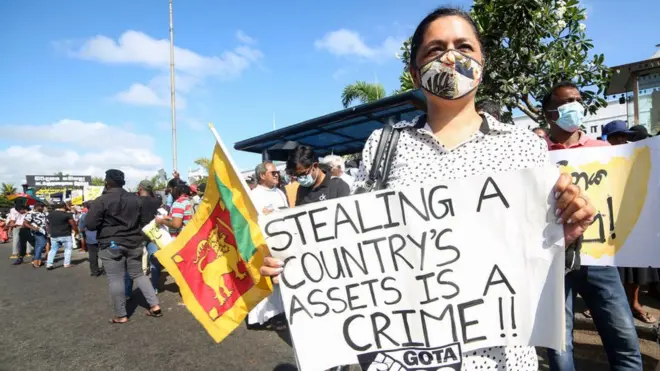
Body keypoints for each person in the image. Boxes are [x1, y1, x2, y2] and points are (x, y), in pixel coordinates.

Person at [262, 8, 596, 370]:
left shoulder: (521, 145)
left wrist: (568, 234)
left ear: (482, 62)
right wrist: (302, 265)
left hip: (500, 357)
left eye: (464, 46)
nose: (452, 58)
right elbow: (357, 250)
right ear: (415, 72)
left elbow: (540, 264)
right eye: (435, 50)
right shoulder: (385, 144)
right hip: (403, 355)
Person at [543, 81, 642, 370]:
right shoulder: (535, 154)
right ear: (550, 114)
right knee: (559, 346)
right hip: (554, 259)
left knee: (623, 337)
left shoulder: (603, 150)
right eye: (565, 103)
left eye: (578, 99)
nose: (575, 106)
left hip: (599, 258)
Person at [85, 169, 161, 324]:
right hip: (134, 242)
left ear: (107, 182)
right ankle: (155, 306)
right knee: (139, 274)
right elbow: (144, 222)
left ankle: (121, 315)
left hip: (110, 243)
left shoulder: (101, 201)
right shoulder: (136, 199)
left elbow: (90, 225)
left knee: (116, 278)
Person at [247, 161, 288, 329]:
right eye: (273, 172)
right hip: (264, 244)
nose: (277, 174)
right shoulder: (254, 195)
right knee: (265, 281)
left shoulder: (280, 192)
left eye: (277, 172)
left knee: (280, 279)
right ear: (262, 175)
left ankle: (280, 313)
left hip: (283, 241)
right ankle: (264, 317)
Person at [125, 180, 162, 296]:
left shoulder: (135, 201)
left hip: (137, 235)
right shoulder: (157, 201)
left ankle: (127, 292)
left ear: (140, 188)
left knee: (131, 262)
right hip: (153, 235)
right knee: (155, 261)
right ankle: (154, 287)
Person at [45, 202, 78, 270]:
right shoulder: (67, 214)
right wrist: (76, 231)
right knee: (68, 249)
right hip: (65, 234)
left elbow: (47, 224)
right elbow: (73, 224)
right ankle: (66, 264)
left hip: (54, 235)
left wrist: (49, 232)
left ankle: (49, 264)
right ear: (64, 206)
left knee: (53, 249)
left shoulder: (50, 214)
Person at [21, 202, 48, 268]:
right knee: (42, 243)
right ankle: (36, 260)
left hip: (44, 231)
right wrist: (33, 228)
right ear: (38, 206)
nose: (43, 208)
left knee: (38, 245)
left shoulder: (43, 213)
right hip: (37, 231)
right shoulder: (30, 213)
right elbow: (25, 223)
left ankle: (37, 260)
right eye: (42, 207)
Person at [79, 201, 102, 276]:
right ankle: (105, 269)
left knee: (92, 255)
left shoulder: (84, 216)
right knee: (104, 254)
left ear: (86, 207)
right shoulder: (101, 215)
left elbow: (81, 228)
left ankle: (94, 271)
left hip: (90, 237)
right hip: (102, 237)